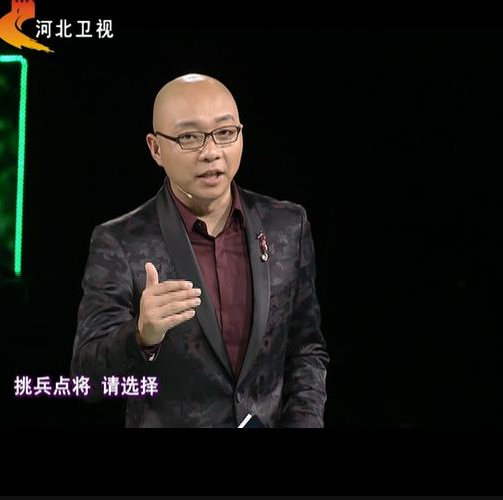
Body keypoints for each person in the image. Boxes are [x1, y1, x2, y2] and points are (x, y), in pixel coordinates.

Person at [71, 73, 328, 427]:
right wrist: (141, 336)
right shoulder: (120, 242)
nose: (211, 152)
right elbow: (86, 378)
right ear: (156, 149)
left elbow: (306, 350)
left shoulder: (287, 225)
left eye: (225, 133)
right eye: (189, 137)